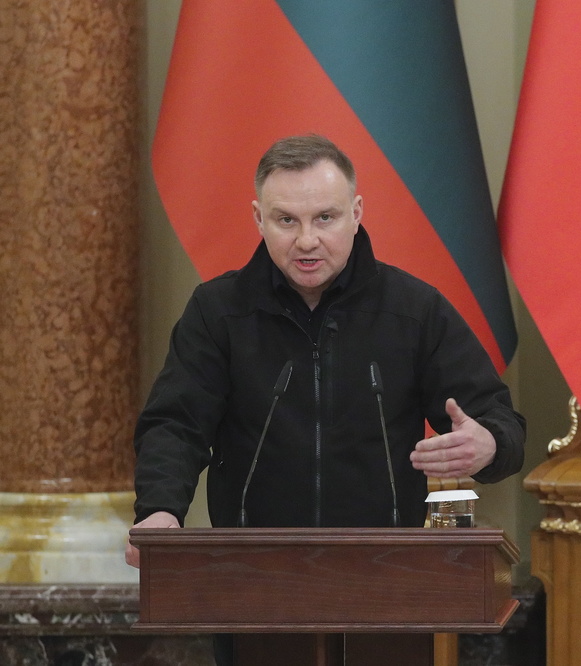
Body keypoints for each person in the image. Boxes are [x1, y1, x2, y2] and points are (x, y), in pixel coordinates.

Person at [128, 134, 525, 565]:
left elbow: (499, 420)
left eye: (324, 218)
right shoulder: (218, 311)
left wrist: (489, 444)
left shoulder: (414, 310)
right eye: (286, 220)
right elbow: (176, 425)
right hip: (251, 570)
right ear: (258, 219)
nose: (306, 240)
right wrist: (159, 510)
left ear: (356, 214)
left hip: (385, 570)